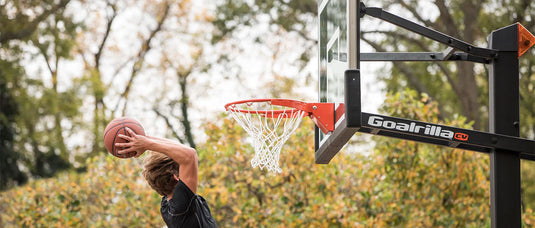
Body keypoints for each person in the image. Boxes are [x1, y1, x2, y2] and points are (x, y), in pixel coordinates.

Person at [115, 127, 217, 228]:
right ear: (176, 177)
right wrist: (147, 144)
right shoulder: (181, 204)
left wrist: (146, 140)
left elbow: (181, 150)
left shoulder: (168, 205)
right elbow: (190, 154)